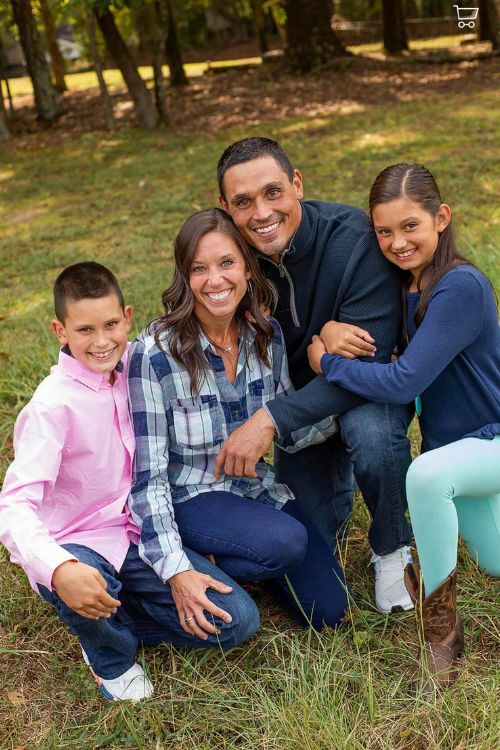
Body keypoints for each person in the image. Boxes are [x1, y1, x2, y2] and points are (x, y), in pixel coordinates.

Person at [0, 262, 260, 703]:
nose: (101, 342)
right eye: (84, 330)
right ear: (59, 331)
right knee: (90, 580)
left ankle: (111, 617)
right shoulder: (52, 407)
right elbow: (15, 505)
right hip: (76, 544)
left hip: (136, 536)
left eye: (111, 325)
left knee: (237, 619)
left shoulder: (134, 372)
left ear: (127, 317)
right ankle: (109, 654)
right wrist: (59, 568)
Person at [308, 163, 500, 690]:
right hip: (458, 452)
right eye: (384, 231)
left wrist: (325, 361)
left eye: (410, 226)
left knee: (426, 478)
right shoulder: (407, 287)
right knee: (495, 558)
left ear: (441, 218)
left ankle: (440, 633)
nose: (397, 242)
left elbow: (402, 381)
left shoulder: (460, 286)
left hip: (492, 442)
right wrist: (328, 327)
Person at [214, 136, 414, 614]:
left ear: (297, 184)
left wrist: (268, 420)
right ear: (225, 207)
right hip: (300, 409)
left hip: (364, 390)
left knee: (370, 434)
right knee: (310, 554)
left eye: (272, 193)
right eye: (243, 202)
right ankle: (333, 488)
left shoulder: (356, 241)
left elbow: (368, 363)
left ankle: (391, 548)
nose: (261, 213)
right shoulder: (229, 261)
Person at [127, 208, 349, 633]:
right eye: (200, 268)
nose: (215, 280)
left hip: (253, 490)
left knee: (330, 611)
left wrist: (341, 383)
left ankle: (232, 560)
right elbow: (148, 477)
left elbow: (292, 428)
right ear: (184, 277)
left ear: (247, 267)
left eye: (227, 263)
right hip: (189, 497)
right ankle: (190, 554)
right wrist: (174, 567)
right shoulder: (154, 355)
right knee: (285, 541)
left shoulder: (265, 336)